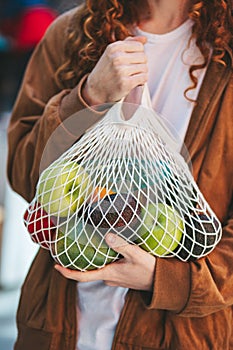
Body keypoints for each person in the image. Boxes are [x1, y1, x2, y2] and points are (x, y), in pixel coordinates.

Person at [7, 0, 233, 349]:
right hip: (58, 327)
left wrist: (166, 279)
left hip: (180, 337)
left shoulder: (225, 52)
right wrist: (86, 98)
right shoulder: (70, 34)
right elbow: (22, 176)